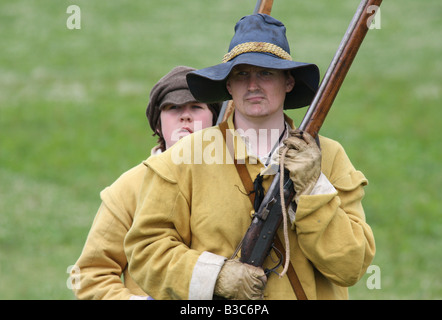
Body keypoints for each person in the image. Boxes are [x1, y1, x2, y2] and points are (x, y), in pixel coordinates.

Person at [125, 14, 375, 300]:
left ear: (288, 82)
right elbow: (146, 253)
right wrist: (216, 276)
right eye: (242, 74)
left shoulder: (329, 156)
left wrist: (314, 189)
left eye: (266, 73)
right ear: (228, 86)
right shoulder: (183, 158)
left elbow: (351, 267)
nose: (253, 85)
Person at [72, 66, 220, 299]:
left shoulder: (235, 180)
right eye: (173, 108)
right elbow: (90, 274)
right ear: (158, 124)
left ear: (214, 120)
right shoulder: (127, 189)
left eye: (196, 107)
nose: (186, 115)